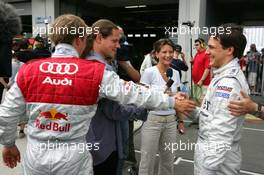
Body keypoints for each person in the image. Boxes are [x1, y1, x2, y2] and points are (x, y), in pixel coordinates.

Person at [0, 14, 196, 175]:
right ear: (79, 40)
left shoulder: (29, 70)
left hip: (36, 155)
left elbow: (6, 114)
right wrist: (170, 101)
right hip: (73, 158)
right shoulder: (93, 72)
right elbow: (133, 94)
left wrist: (9, 144)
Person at [85, 19, 147, 175]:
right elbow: (113, 110)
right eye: (115, 40)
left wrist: (123, 63)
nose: (119, 45)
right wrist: (147, 107)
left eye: (121, 41)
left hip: (111, 134)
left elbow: (136, 77)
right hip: (102, 141)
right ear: (99, 38)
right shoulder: (97, 67)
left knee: (122, 151)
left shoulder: (111, 62)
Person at [189, 23, 249, 175]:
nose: (207, 52)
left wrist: (206, 169)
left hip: (216, 162)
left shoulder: (228, 83)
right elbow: (211, 117)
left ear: (229, 50)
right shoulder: (222, 75)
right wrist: (189, 107)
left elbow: (220, 134)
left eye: (212, 47)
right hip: (212, 155)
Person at [138, 38, 184, 175]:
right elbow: (141, 98)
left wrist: (180, 121)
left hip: (170, 122)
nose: (168, 55)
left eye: (171, 52)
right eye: (164, 52)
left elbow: (179, 99)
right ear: (156, 54)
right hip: (152, 121)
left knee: (168, 161)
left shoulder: (175, 73)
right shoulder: (149, 73)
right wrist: (161, 96)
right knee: (147, 160)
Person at [191, 38, 211, 105]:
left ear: (202, 45)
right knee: (196, 98)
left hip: (203, 83)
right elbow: (196, 65)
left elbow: (207, 68)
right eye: (195, 45)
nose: (195, 46)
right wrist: (192, 62)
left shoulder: (206, 55)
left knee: (202, 101)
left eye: (197, 45)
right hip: (196, 82)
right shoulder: (197, 54)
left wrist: (202, 80)